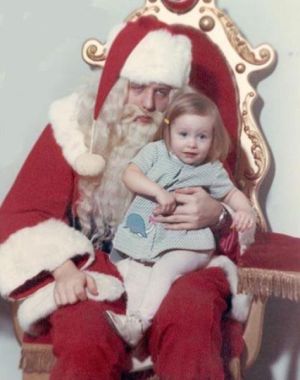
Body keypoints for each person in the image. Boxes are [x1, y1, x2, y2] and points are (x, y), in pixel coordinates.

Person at [0, 16, 250, 380]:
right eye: (138, 88)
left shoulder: (191, 140)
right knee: (86, 333)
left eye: (162, 92)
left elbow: (238, 225)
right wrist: (63, 267)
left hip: (182, 266)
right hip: (94, 271)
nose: (148, 104)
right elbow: (20, 215)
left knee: (191, 314)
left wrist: (218, 215)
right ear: (115, 87)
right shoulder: (72, 131)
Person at [106, 90, 256, 347]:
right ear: (168, 131)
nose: (192, 144)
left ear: (213, 138)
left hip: (190, 244)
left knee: (165, 268)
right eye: (183, 134)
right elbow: (130, 175)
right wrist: (157, 191)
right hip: (151, 237)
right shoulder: (155, 152)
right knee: (125, 268)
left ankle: (139, 323)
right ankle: (222, 267)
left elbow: (232, 194)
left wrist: (245, 212)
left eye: (202, 137)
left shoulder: (211, 169)